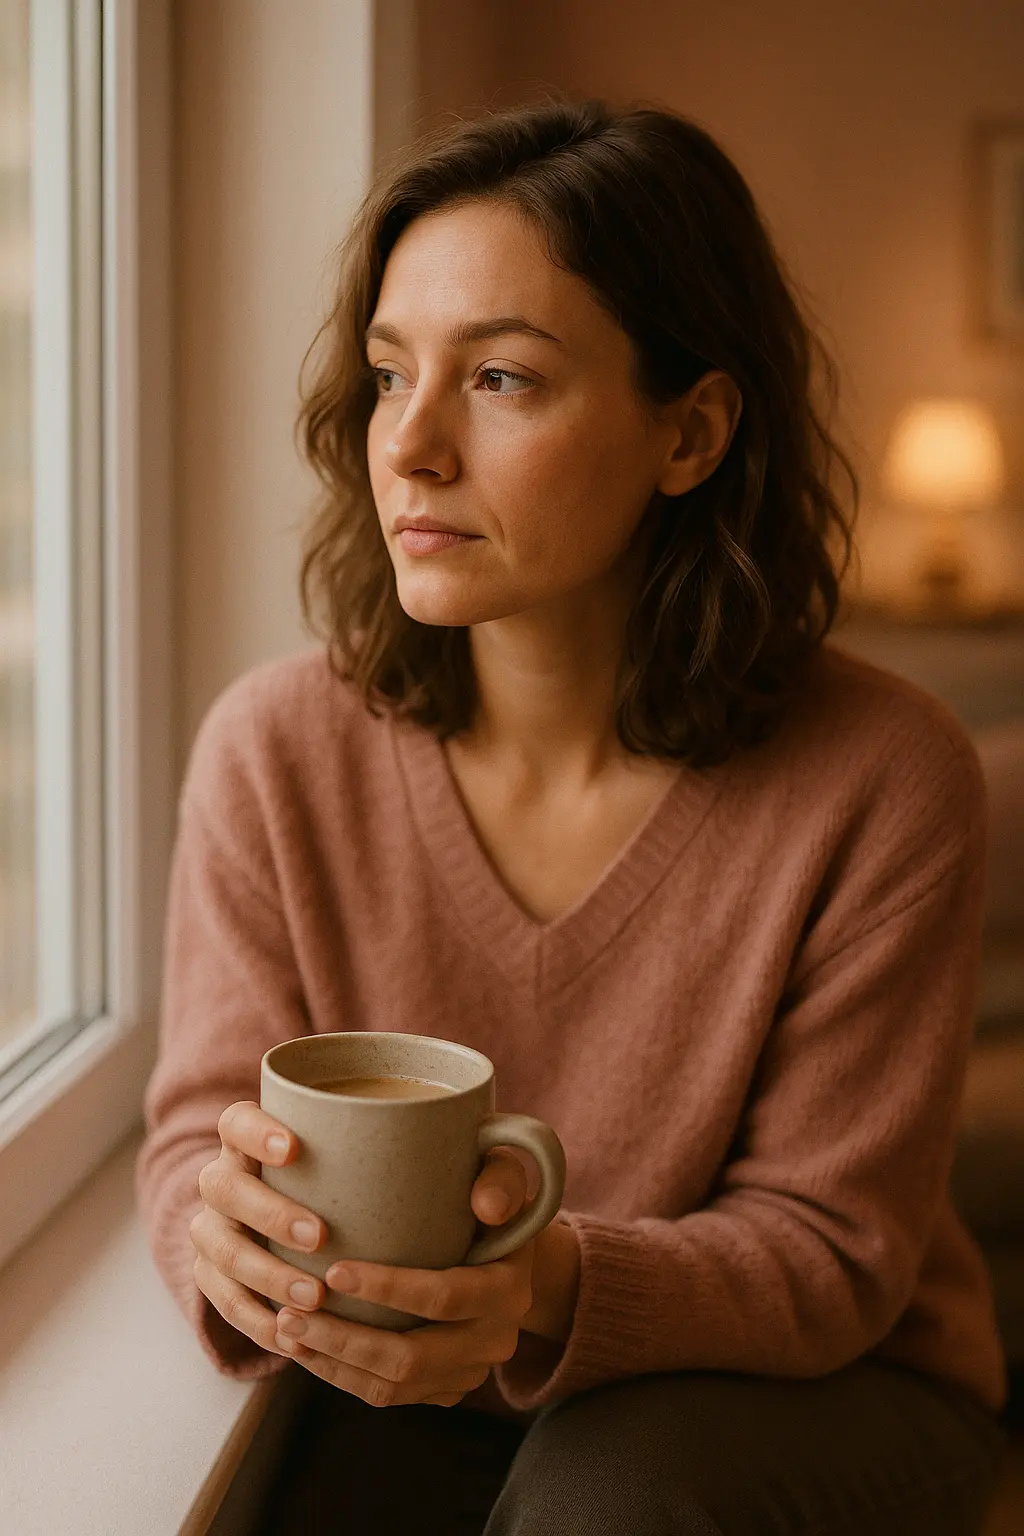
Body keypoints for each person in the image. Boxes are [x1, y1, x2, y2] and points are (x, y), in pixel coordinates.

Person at [136, 98, 1009, 1533]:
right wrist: (222, 1238)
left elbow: (833, 1254)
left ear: (693, 431)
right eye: (387, 373)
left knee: (606, 1504)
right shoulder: (272, 750)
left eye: (502, 382)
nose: (408, 447)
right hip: (431, 1379)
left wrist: (530, 1286)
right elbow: (197, 1138)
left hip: (827, 1380)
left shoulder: (887, 776)